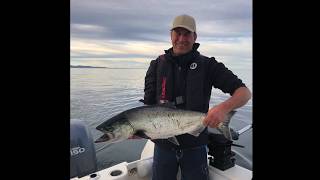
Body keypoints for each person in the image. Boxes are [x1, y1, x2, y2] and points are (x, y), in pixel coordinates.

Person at [142, 14, 251, 180]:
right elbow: (148, 107)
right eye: (177, 33)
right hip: (163, 148)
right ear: (170, 35)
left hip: (195, 148)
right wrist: (137, 129)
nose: (181, 39)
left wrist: (223, 109)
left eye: (187, 34)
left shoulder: (209, 66)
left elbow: (244, 93)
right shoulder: (156, 65)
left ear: (195, 37)